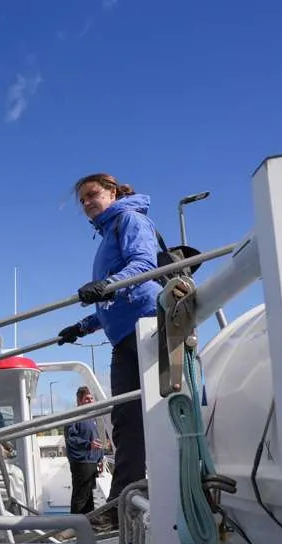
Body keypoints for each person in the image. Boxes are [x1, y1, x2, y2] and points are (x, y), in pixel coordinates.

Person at [57, 173, 161, 515]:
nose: (87, 203)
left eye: (92, 195)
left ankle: (171, 489)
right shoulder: (106, 234)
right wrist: (81, 327)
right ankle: (120, 507)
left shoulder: (129, 219)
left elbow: (144, 265)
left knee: (156, 414)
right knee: (125, 421)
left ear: (112, 192)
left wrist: (107, 284)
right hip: (123, 336)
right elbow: (111, 302)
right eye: (82, 200)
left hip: (146, 326)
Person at [65, 385, 105, 515]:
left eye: (91, 398)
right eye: (87, 398)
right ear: (79, 400)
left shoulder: (92, 418)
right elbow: (71, 439)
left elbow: (96, 439)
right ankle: (75, 524)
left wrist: (100, 459)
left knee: (89, 497)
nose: (90, 401)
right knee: (81, 497)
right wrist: (88, 445)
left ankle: (88, 522)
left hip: (92, 462)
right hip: (81, 462)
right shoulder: (74, 416)